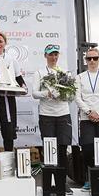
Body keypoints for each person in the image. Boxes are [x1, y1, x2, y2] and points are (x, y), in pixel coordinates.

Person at [74, 47, 99, 190]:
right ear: (85, 60)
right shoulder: (79, 77)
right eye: (89, 58)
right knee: (87, 149)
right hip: (86, 117)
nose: (92, 61)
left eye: (95, 58)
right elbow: (77, 97)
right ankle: (89, 179)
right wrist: (89, 111)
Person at [33, 44, 74, 176]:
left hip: (63, 114)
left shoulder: (65, 73)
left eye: (56, 54)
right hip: (46, 115)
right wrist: (47, 94)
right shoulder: (39, 72)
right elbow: (34, 93)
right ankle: (50, 179)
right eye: (50, 54)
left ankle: (62, 180)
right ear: (45, 55)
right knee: (49, 147)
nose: (53, 57)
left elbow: (72, 95)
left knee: (62, 147)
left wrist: (63, 94)